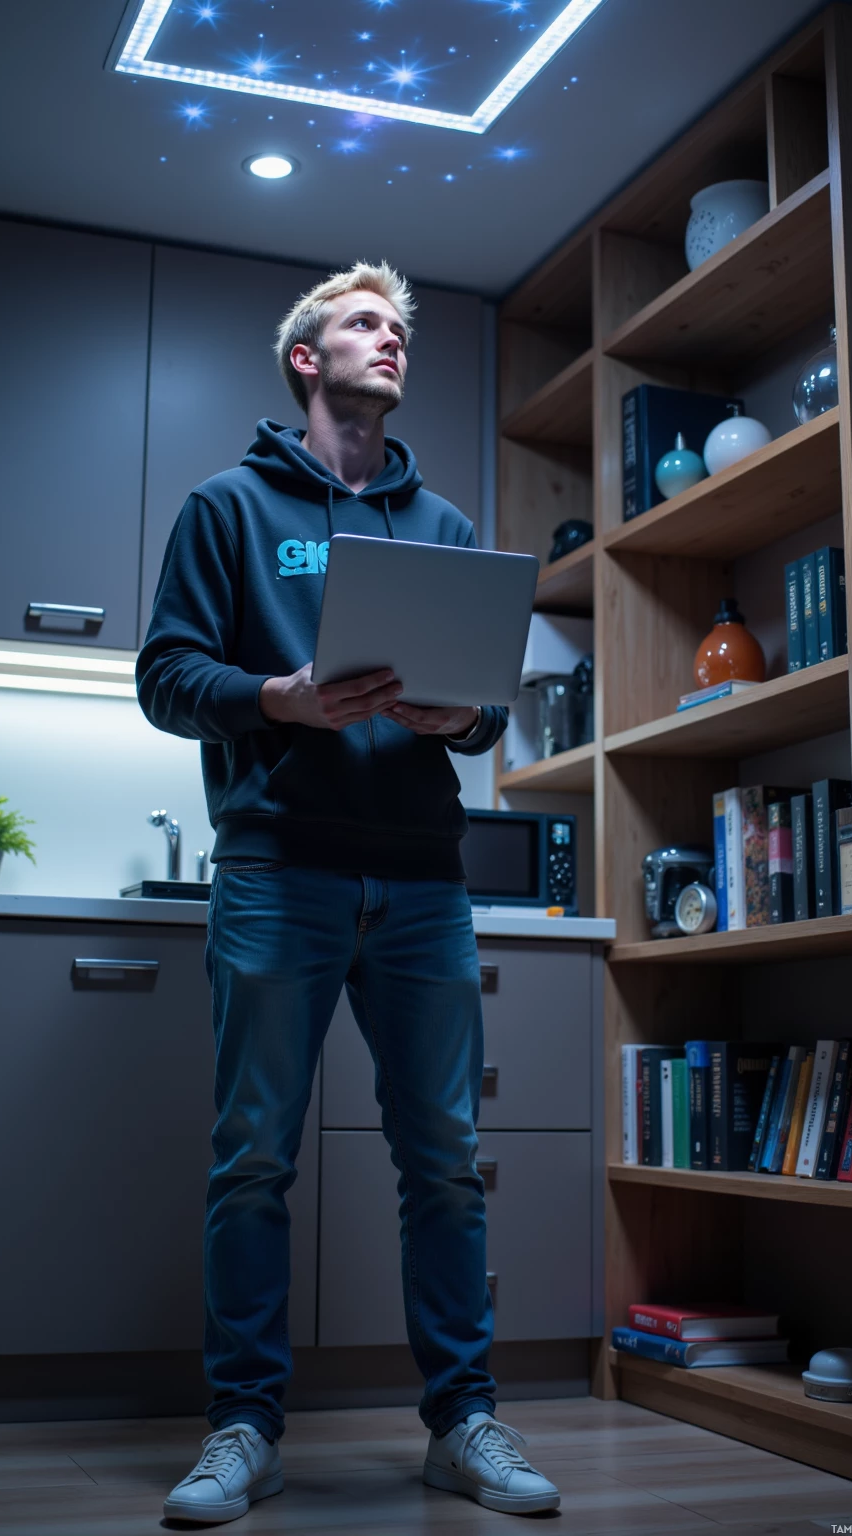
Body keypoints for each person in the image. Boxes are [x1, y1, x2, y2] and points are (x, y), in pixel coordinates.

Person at [136, 261, 560, 1524]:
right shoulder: (228, 508)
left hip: (422, 880)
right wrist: (279, 698)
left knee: (444, 1160)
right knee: (252, 1161)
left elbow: (485, 714)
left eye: (401, 330)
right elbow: (164, 675)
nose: (392, 342)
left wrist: (461, 713)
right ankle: (242, 1432)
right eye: (365, 325)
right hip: (278, 869)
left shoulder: (440, 524)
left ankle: (463, 1425)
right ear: (306, 361)